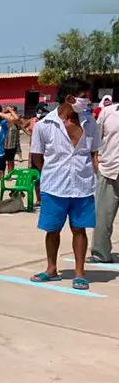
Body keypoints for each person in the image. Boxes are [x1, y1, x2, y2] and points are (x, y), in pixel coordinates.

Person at [29, 78, 100, 291]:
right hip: (54, 187)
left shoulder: (90, 123)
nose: (88, 101)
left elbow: (94, 152)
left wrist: (93, 169)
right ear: (70, 98)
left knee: (79, 229)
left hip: (82, 186)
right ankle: (51, 268)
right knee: (52, 230)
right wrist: (50, 173)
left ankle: (79, 273)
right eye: (84, 97)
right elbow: (37, 157)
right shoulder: (44, 126)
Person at [92, 97, 119, 263]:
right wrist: (96, 163)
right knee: (102, 217)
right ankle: (100, 254)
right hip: (109, 170)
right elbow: (95, 141)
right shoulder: (108, 113)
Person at [3, 105, 23, 174]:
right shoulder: (3, 118)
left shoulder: (15, 118)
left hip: (12, 144)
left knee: (10, 161)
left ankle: (9, 175)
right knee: (2, 161)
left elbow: (17, 119)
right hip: (2, 144)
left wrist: (11, 111)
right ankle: (2, 175)